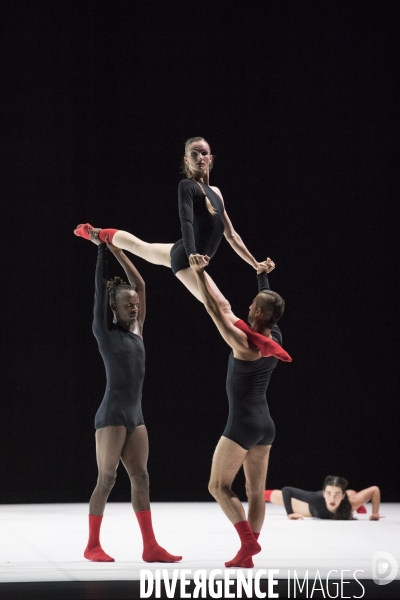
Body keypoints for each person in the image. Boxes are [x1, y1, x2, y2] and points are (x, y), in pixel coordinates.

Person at [82, 232, 181, 563]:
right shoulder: (105, 333)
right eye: (128, 304)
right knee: (106, 480)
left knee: (141, 478)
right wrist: (100, 252)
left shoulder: (138, 328)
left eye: (136, 303)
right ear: (115, 307)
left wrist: (118, 248)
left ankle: (150, 546)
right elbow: (99, 295)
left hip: (135, 416)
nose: (135, 305)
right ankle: (92, 544)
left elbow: (140, 283)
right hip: (111, 415)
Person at [74, 137, 270, 305]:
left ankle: (95, 233)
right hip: (186, 259)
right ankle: (259, 344)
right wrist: (192, 254)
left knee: (140, 246)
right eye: (194, 154)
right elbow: (186, 221)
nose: (200, 157)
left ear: (210, 158)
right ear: (186, 160)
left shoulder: (217, 192)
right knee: (221, 305)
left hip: (181, 249)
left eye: (204, 153)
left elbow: (232, 235)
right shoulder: (187, 185)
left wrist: (255, 263)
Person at [189, 253, 288, 568]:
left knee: (217, 486)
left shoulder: (242, 343)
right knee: (255, 492)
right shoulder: (276, 337)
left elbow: (213, 309)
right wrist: (261, 276)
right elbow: (269, 306)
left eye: (251, 306)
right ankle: (248, 554)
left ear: (257, 312)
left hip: (243, 425)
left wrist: (200, 274)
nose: (246, 308)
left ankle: (246, 542)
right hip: (265, 424)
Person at [264, 476, 384, 520]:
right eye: (329, 494)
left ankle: (350, 494)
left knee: (352, 496)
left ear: (343, 496)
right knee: (276, 496)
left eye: (337, 495)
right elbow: (287, 490)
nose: (332, 499)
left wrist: (375, 513)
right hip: (310, 509)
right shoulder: (315, 498)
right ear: (323, 493)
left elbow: (375, 490)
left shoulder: (351, 502)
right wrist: (290, 513)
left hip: (348, 499)